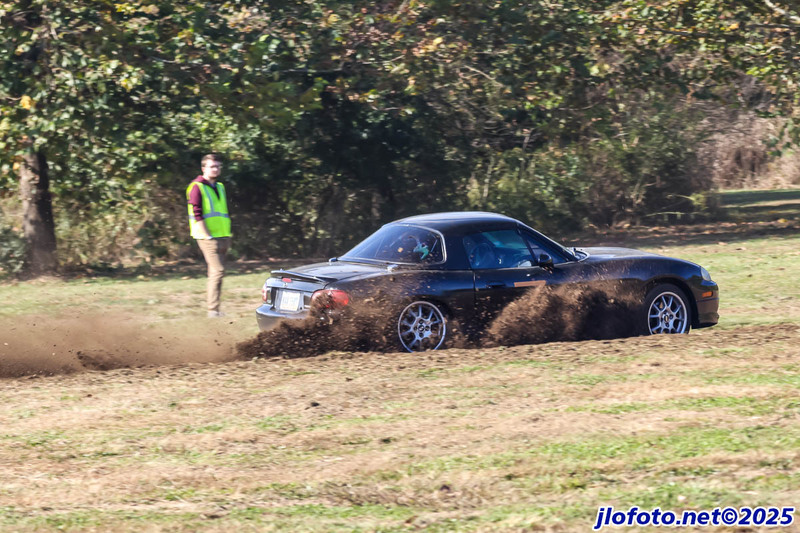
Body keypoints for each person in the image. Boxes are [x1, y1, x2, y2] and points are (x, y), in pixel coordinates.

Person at [187, 153, 232, 317]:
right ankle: (212, 310)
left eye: (218, 166)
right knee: (217, 271)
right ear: (203, 168)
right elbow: (197, 213)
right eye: (212, 166)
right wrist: (207, 236)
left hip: (223, 235)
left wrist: (226, 235)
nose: (216, 169)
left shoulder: (220, 186)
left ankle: (215, 310)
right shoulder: (196, 187)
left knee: (216, 273)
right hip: (207, 237)